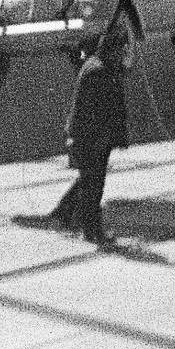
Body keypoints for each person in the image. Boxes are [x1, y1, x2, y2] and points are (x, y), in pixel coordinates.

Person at [50, 26, 131, 243]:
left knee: (89, 181)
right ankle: (91, 230)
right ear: (112, 49)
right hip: (91, 138)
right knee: (94, 186)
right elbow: (102, 110)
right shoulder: (99, 71)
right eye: (121, 49)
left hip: (89, 137)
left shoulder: (96, 65)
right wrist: (107, 137)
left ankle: (66, 213)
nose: (123, 53)